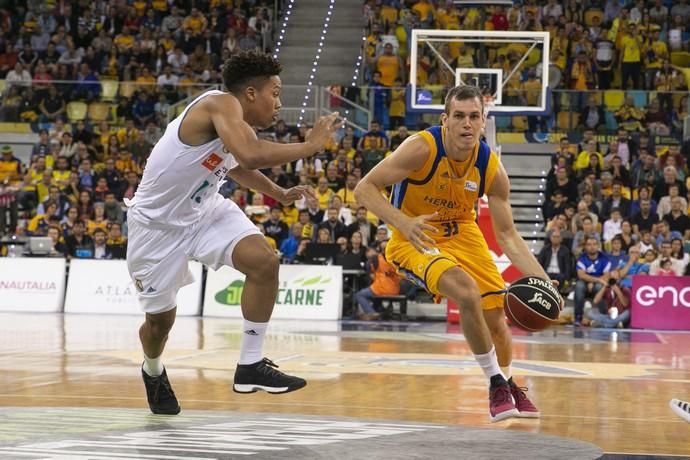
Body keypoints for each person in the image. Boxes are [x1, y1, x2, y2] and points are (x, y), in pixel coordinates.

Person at [125, 51, 338, 415]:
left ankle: (250, 365)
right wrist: (311, 146)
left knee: (264, 262)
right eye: (275, 93)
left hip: (204, 211)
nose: (279, 103)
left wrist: (279, 193)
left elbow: (237, 164)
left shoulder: (234, 123)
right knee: (160, 324)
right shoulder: (218, 104)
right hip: (156, 228)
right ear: (251, 93)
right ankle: (153, 369)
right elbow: (250, 154)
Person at [354, 85, 563, 422]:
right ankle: (494, 383)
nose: (467, 124)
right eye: (460, 116)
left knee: (497, 318)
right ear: (445, 120)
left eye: (474, 117)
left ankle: (509, 383)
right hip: (415, 236)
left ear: (483, 121)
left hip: (464, 234)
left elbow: (508, 236)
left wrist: (542, 281)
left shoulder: (490, 167)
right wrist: (401, 222)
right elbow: (364, 188)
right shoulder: (421, 147)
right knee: (465, 290)